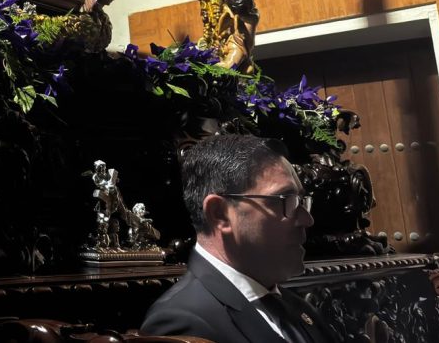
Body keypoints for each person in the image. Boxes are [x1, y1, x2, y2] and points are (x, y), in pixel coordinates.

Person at [142, 134, 340, 343]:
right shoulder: (182, 323)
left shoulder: (298, 308)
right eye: (285, 201)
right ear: (220, 214)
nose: (307, 219)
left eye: (302, 202)